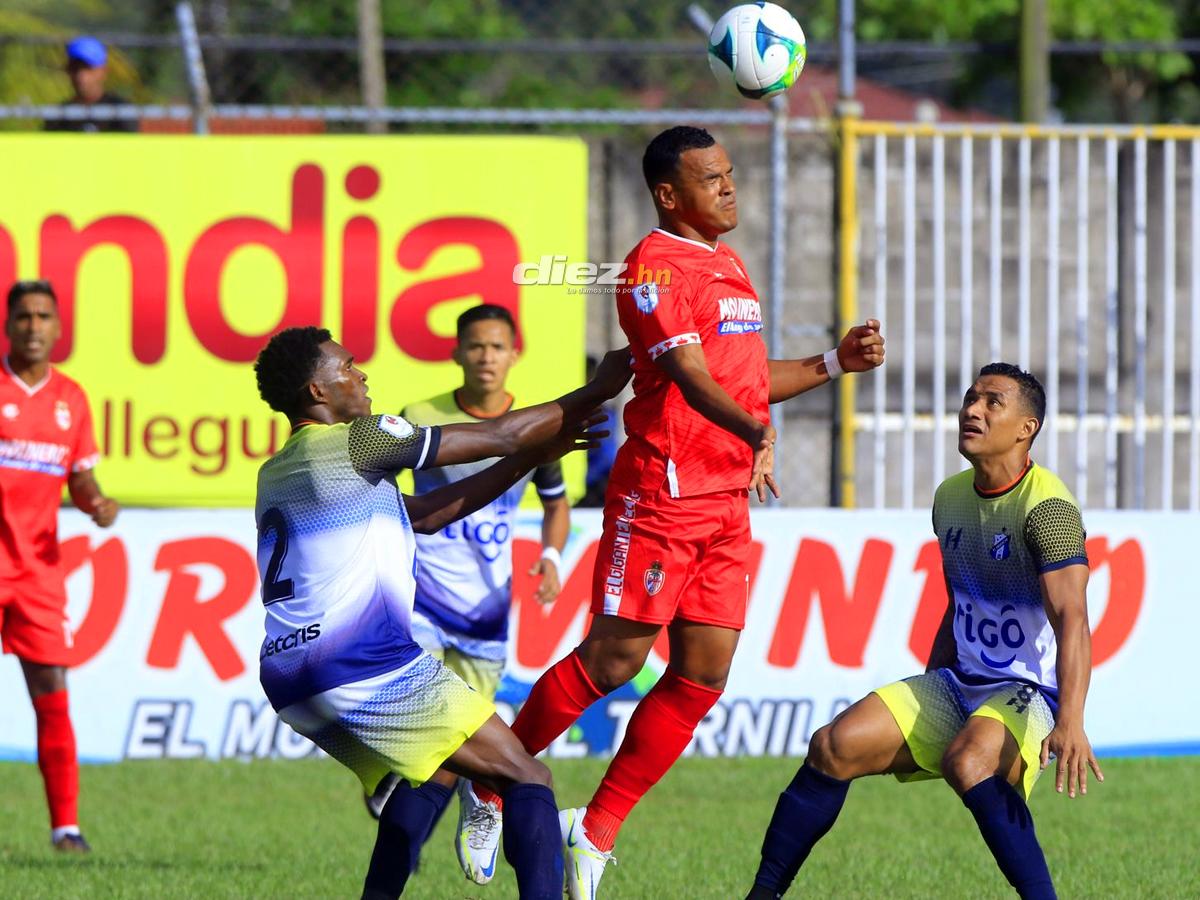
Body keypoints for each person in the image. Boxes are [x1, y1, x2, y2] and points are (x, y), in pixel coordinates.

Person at [458, 126, 886, 899]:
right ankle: (488, 784)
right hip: (660, 496)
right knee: (614, 662)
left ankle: (596, 827)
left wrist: (832, 363)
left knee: (701, 676)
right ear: (668, 194)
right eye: (712, 178)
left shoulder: (726, 263)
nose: (730, 188)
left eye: (730, 175)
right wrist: (753, 428)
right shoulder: (648, 270)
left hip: (725, 506)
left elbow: (748, 379)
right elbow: (688, 376)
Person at [251, 326, 629, 899]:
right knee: (529, 777)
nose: (362, 375)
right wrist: (596, 390)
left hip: (290, 679)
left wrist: (531, 457)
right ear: (317, 392)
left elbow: (427, 514)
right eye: (348, 367)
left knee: (429, 780)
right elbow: (501, 431)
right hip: (358, 661)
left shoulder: (276, 472)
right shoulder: (361, 442)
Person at [747, 363, 1103, 900]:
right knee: (833, 745)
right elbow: (959, 595)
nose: (972, 410)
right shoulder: (950, 497)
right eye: (969, 398)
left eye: (992, 402)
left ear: (1026, 428)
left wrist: (1072, 720)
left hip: (1028, 692)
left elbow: (1072, 618)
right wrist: (937, 675)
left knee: (969, 760)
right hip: (960, 682)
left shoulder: (1047, 508)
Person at [359, 304, 574, 876]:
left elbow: (557, 505)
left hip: (486, 612)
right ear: (456, 353)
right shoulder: (421, 417)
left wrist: (551, 556)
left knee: (459, 738)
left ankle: (477, 794)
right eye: (475, 346)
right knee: (409, 710)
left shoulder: (532, 426)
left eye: (497, 347)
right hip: (420, 597)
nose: (486, 357)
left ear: (513, 354)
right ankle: (398, 772)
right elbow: (379, 486)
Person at [0, 280, 120, 853]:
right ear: (8, 325)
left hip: (37, 572)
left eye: (43, 315)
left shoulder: (70, 397)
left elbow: (80, 473)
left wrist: (95, 500)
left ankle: (65, 828)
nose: (33, 325)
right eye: (23, 315)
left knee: (52, 691)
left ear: (57, 327)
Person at [44, 36, 138, 134]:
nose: (80, 75)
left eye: (88, 68)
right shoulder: (58, 115)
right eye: (75, 68)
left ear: (103, 71)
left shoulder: (122, 111)